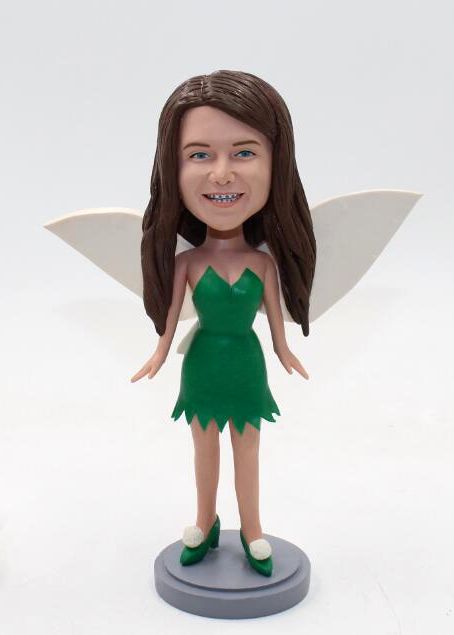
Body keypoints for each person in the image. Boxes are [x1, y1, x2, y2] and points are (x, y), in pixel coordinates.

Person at [130, 70, 316, 576]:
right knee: (204, 450)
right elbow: (170, 319)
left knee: (248, 451)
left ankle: (253, 530)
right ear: (172, 168)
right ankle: (204, 521)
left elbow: (275, 323)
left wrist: (285, 351)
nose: (221, 174)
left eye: (244, 152)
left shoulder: (264, 264)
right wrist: (158, 354)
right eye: (199, 155)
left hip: (247, 365)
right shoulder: (185, 263)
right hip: (204, 365)